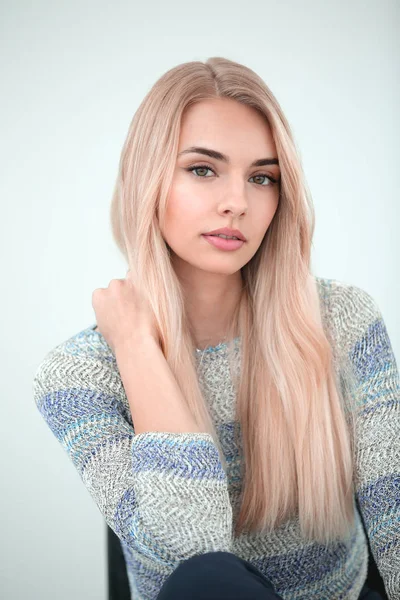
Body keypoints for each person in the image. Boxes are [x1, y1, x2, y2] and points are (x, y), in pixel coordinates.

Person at [33, 57, 398, 599]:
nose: (237, 203)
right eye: (203, 169)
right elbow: (188, 557)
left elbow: (393, 505)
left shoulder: (342, 320)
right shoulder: (78, 375)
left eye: (262, 177)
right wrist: (136, 348)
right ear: (147, 178)